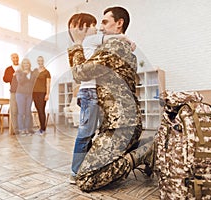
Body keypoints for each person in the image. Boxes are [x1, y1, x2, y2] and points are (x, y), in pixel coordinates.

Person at [68, 7, 152, 191]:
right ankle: (137, 146)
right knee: (97, 163)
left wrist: (77, 43)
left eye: (105, 22)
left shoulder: (114, 47)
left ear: (119, 23)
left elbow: (79, 72)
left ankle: (144, 153)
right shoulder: (119, 46)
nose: (100, 27)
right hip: (120, 124)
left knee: (86, 178)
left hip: (121, 127)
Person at [15, 58, 39, 136]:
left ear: (29, 65)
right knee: (21, 112)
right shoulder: (19, 72)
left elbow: (34, 82)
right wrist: (24, 73)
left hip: (30, 94)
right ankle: (22, 129)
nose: (26, 65)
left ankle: (27, 129)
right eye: (24, 63)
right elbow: (20, 81)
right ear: (22, 65)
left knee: (28, 112)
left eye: (27, 63)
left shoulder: (32, 73)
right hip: (20, 94)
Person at [32, 56, 51, 135]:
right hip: (34, 93)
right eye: (39, 60)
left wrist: (47, 94)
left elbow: (48, 84)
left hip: (42, 93)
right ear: (37, 61)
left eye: (41, 60)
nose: (40, 62)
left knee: (41, 110)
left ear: (43, 61)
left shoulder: (47, 72)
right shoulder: (35, 71)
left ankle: (43, 129)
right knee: (38, 110)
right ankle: (41, 128)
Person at [3, 53, 19, 134]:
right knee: (13, 111)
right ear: (11, 59)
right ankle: (15, 130)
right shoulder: (8, 69)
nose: (15, 59)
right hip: (13, 91)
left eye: (17, 57)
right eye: (14, 58)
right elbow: (5, 79)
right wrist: (13, 76)